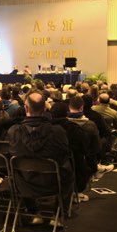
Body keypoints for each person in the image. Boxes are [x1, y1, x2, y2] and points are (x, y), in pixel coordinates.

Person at [6, 91, 74, 221]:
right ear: (45, 108)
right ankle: (59, 215)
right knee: (68, 167)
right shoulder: (57, 131)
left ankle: (34, 212)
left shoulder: (14, 131)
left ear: (25, 108)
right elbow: (64, 154)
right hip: (53, 182)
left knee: (17, 168)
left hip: (24, 182)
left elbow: (12, 153)